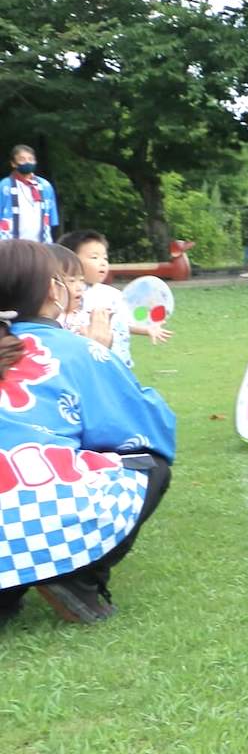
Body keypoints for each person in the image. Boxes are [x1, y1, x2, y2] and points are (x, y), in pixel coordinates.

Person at [0, 240, 175, 627]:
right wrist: (101, 352)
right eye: (67, 279)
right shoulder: (75, 349)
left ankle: (7, 593)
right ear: (52, 289)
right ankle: (77, 576)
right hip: (33, 507)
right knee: (152, 463)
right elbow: (140, 424)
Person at [58, 229, 172, 368]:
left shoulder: (114, 295)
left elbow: (122, 324)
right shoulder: (70, 294)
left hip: (119, 363)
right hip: (88, 362)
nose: (102, 263)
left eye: (105, 258)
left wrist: (146, 330)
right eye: (94, 257)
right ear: (70, 260)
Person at [1, 145, 61, 242]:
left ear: (35, 162)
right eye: (22, 159)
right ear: (13, 163)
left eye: (30, 159)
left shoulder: (45, 186)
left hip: (40, 240)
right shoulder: (5, 185)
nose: (27, 162)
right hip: (10, 241)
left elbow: (51, 217)